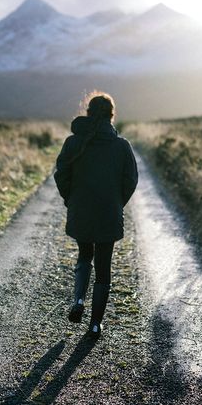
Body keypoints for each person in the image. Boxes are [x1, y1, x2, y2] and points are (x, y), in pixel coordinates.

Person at [54, 91, 138, 340]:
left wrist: (72, 200)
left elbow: (61, 174)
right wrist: (115, 203)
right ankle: (94, 325)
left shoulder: (73, 142)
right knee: (104, 268)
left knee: (83, 254)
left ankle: (78, 299)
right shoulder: (121, 146)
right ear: (112, 116)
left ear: (88, 113)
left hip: (81, 211)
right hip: (108, 213)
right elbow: (131, 180)